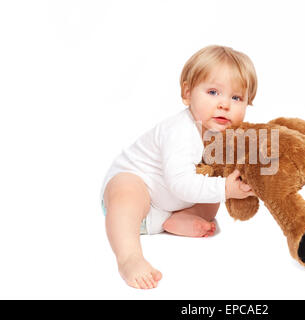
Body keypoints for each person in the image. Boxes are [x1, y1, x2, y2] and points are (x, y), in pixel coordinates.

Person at [100, 45, 258, 289]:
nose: (224, 104)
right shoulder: (180, 131)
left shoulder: (227, 138)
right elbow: (180, 182)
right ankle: (129, 257)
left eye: (236, 98)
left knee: (213, 189)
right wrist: (225, 188)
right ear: (187, 94)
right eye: (213, 92)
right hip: (142, 188)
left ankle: (179, 220)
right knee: (127, 191)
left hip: (171, 205)